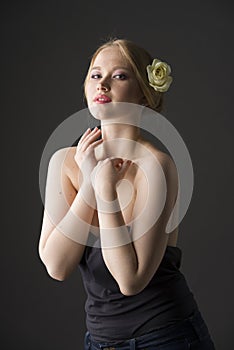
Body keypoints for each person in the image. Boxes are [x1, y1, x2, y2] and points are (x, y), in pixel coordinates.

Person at [38, 38, 216, 349]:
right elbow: (56, 265)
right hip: (100, 342)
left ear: (144, 93)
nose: (103, 84)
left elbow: (130, 280)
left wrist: (105, 190)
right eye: (95, 75)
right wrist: (91, 185)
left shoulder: (157, 166)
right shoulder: (64, 163)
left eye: (119, 76)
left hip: (166, 337)